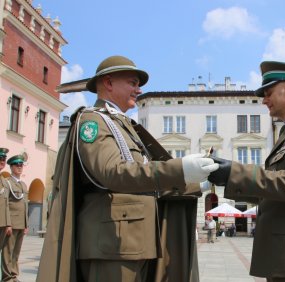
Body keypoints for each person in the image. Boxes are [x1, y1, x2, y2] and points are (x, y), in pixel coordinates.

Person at [37, 55, 218, 282]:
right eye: (133, 83)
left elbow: (144, 179)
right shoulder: (93, 121)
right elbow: (113, 172)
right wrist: (179, 169)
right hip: (112, 244)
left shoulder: (123, 126)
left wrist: (192, 182)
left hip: (134, 242)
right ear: (109, 83)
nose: (139, 90)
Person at [208, 61, 285, 281]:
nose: (264, 100)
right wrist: (227, 179)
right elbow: (273, 191)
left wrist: (234, 172)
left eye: (268, 93)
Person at [1, 155, 29, 282]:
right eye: (16, 165)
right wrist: (8, 224)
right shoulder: (7, 182)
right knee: (8, 252)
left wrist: (26, 224)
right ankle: (7, 277)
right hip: (12, 222)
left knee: (16, 252)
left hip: (21, 223)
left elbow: (25, 205)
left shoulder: (23, 184)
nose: (19, 167)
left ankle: (13, 274)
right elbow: (6, 204)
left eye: (21, 165)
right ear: (11, 167)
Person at [0, 148, 12, 251]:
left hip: (2, 223)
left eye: (4, 159)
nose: (2, 161)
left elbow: (6, 204)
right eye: (0, 158)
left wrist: (8, 224)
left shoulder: (3, 181)